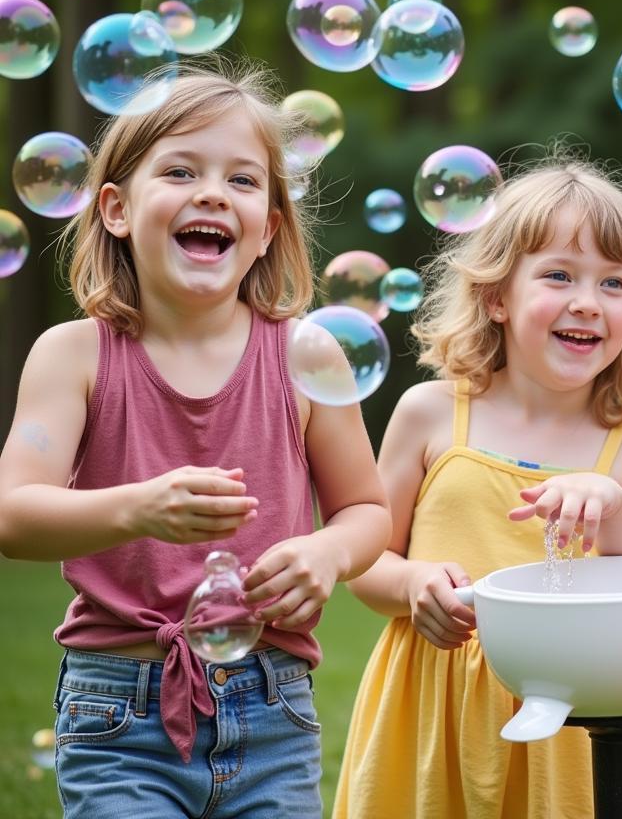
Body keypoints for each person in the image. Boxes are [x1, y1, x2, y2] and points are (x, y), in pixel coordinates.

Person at [0, 63, 391, 818]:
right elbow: (13, 516)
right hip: (118, 711)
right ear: (115, 208)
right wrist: (138, 509)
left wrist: (328, 553)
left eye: (243, 182)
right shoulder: (74, 354)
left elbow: (367, 510)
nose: (213, 193)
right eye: (180, 171)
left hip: (274, 708)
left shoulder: (307, 355)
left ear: (268, 227)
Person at [332, 156, 622, 819]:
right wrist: (413, 585)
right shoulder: (431, 412)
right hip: (431, 712)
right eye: (559, 275)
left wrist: (612, 509)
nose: (587, 300)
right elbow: (366, 561)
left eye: (613, 283)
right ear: (497, 296)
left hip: (578, 721)